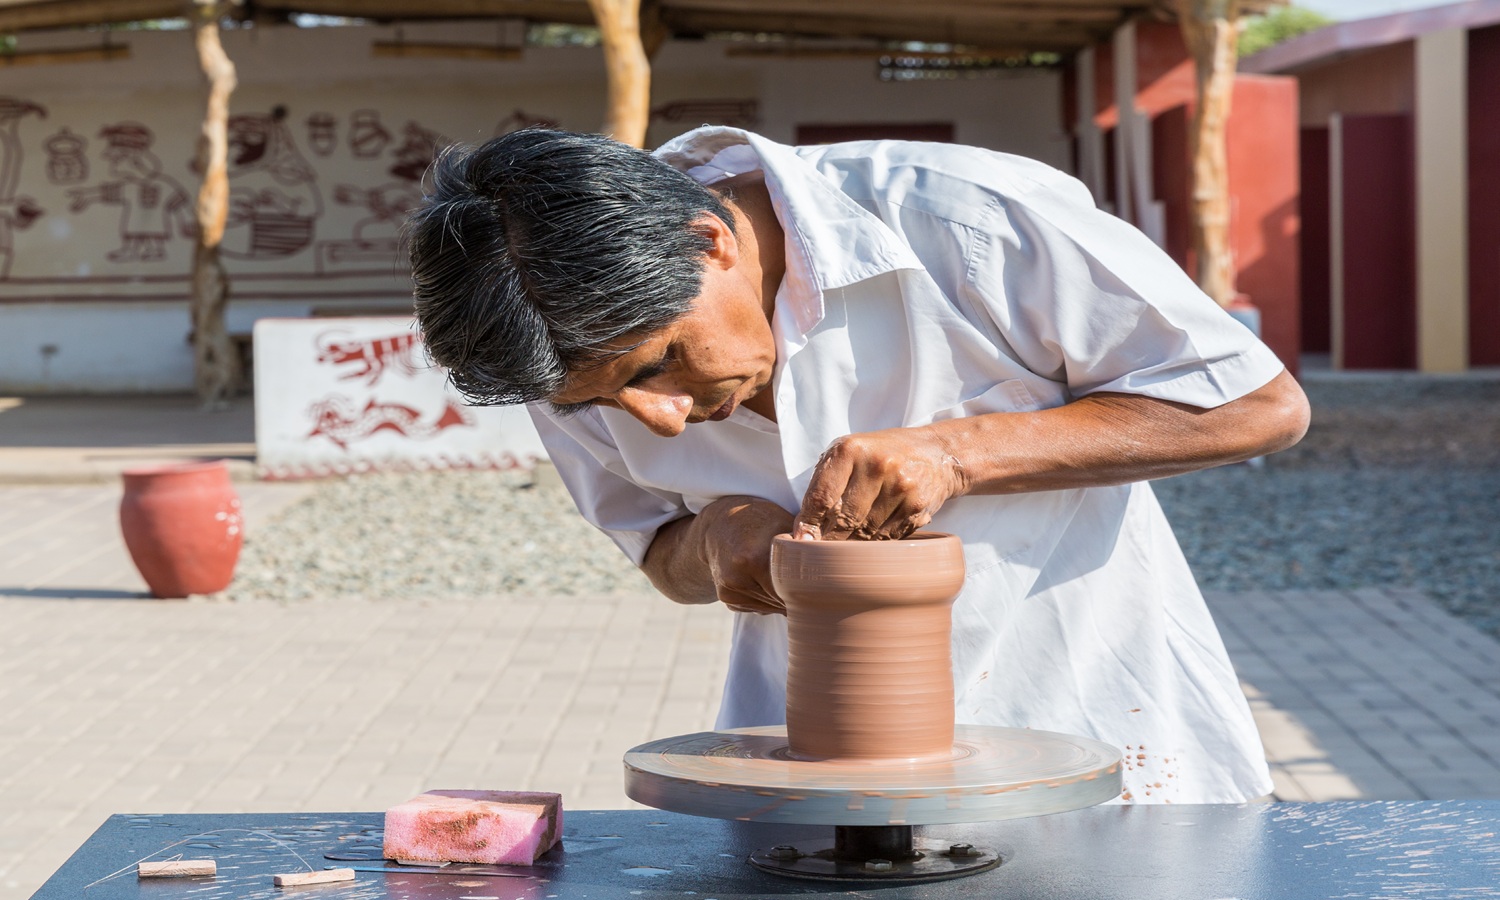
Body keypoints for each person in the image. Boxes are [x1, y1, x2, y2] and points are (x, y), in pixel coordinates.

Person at [407, 126, 1310, 804]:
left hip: (1110, 750)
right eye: (604, 404)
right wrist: (715, 540)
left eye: (659, 366)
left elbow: (1259, 403)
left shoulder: (959, 218)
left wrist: (961, 452)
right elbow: (660, 552)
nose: (660, 420)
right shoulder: (560, 351)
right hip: (815, 798)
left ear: (709, 241)